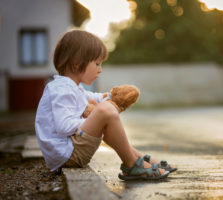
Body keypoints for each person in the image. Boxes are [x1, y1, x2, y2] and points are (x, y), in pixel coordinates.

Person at [35, 30, 176, 180]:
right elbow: (63, 125)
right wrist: (93, 119)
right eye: (97, 63)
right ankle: (132, 163)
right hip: (67, 154)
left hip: (69, 151)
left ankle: (136, 158)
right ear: (76, 64)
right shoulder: (62, 89)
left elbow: (95, 98)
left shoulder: (72, 87)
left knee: (105, 109)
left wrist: (111, 96)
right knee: (106, 110)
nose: (100, 69)